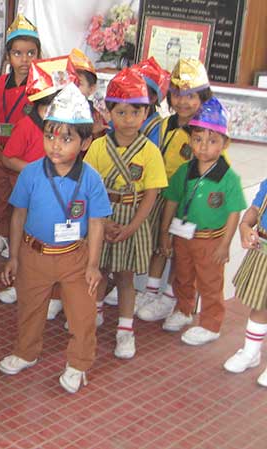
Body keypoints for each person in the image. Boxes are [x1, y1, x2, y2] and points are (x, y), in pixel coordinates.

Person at [0, 84, 111, 393]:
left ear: (85, 142)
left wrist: (93, 264)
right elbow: (18, 215)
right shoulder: (31, 173)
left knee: (82, 314)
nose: (55, 145)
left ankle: (79, 364)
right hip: (33, 253)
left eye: (66, 138)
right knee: (30, 308)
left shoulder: (91, 179)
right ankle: (26, 352)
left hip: (75, 257)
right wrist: (14, 256)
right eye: (50, 136)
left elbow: (96, 223)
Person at [83, 68, 168, 360]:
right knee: (97, 270)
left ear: (146, 113)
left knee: (125, 278)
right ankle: (93, 314)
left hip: (133, 216)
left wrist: (132, 227)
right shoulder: (98, 147)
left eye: (136, 112)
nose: (128, 119)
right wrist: (103, 222)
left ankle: (125, 329)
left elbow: (151, 194)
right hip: (101, 216)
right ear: (108, 113)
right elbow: (89, 187)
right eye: (121, 112)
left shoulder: (150, 151)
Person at [158, 97, 245, 344]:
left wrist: (225, 245)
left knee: (210, 282)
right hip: (183, 237)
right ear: (190, 140)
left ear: (225, 143)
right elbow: (172, 201)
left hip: (211, 240)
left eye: (212, 141)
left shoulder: (229, 178)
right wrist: (164, 232)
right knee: (182, 276)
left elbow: (234, 212)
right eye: (197, 139)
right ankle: (183, 310)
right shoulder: (184, 171)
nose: (204, 147)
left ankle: (211, 324)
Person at [136, 58, 215, 323]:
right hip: (163, 196)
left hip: (190, 201)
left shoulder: (206, 130)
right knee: (160, 244)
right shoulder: (164, 125)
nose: (183, 102)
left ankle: (172, 298)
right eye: (178, 94)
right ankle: (150, 291)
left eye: (191, 96)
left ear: (203, 97)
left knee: (181, 250)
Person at [0, 56, 73, 306]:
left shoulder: (68, 128)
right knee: (26, 242)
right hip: (30, 195)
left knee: (56, 243)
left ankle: (55, 295)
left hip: (59, 196)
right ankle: (20, 283)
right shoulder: (26, 126)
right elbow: (7, 158)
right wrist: (36, 171)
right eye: (50, 105)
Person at [0, 14, 40, 261]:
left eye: (31, 53)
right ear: (8, 56)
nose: (24, 59)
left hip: (23, 156)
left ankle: (19, 240)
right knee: (0, 195)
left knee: (22, 199)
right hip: (0, 149)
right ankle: (3, 233)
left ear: (38, 54)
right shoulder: (2, 82)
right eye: (17, 53)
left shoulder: (40, 87)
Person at [226, 177, 267, 386]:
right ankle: (251, 352)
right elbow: (255, 209)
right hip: (263, 252)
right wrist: (244, 226)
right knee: (259, 305)